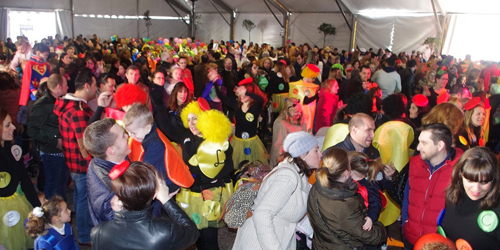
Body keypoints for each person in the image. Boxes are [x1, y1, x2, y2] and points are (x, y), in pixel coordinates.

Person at [233, 131, 322, 250]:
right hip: (260, 244)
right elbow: (262, 214)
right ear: (303, 154)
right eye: (316, 150)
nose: (320, 154)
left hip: (276, 239)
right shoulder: (287, 177)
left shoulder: (298, 174)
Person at [90, 161, 199, 249]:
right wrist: (166, 200)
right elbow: (192, 232)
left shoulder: (98, 232)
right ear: (153, 195)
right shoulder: (165, 231)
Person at [307, 147, 387, 250]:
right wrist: (381, 228)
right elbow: (370, 236)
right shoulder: (346, 204)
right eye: (350, 166)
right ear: (346, 173)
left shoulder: (316, 187)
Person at [53, 69, 97, 246]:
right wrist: (93, 166)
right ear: (86, 86)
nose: (96, 90)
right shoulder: (77, 111)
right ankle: (85, 235)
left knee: (80, 198)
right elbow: (84, 144)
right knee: (84, 200)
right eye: (94, 86)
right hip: (81, 164)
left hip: (73, 162)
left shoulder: (69, 106)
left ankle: (82, 231)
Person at [402, 123, 464, 249]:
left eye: (424, 143)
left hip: (438, 244)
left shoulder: (459, 170)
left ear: (440, 145)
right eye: (419, 142)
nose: (418, 147)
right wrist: (405, 224)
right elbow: (406, 199)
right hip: (411, 237)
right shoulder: (414, 164)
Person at [123, 104, 193, 192]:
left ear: (147, 127)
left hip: (167, 185)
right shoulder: (148, 133)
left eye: (133, 133)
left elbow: (148, 171)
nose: (131, 136)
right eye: (129, 133)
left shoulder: (154, 145)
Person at [440, 147, 500, 250]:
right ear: (460, 175)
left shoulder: (497, 211)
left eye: (484, 182)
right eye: (470, 180)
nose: (476, 189)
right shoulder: (453, 197)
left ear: (494, 180)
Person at [0, 109, 41, 250]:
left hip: (17, 205)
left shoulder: (10, 150)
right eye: (7, 125)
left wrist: (37, 206)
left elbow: (24, 180)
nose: (13, 128)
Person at [28, 74, 69, 200]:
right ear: (58, 87)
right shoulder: (43, 104)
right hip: (51, 153)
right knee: (53, 185)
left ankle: (61, 214)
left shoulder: (60, 101)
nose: (68, 87)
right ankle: (51, 215)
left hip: (61, 151)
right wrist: (54, 141)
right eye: (65, 84)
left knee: (61, 184)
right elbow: (32, 129)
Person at [83, 118, 131, 225]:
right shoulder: (109, 191)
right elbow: (129, 223)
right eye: (123, 136)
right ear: (111, 150)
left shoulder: (105, 161)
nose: (127, 136)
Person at [270, 98, 307, 167]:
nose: (299, 114)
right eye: (296, 112)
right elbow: (278, 146)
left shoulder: (301, 118)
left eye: (300, 111)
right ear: (288, 111)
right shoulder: (280, 123)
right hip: (286, 160)